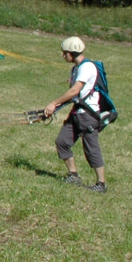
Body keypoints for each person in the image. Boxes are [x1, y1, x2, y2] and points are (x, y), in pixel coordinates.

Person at [43, 36, 107, 192]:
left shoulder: (87, 67)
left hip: (88, 115)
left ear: (73, 52)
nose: (63, 56)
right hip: (77, 112)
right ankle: (73, 175)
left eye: (65, 53)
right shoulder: (76, 68)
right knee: (62, 142)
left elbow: (74, 91)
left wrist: (53, 103)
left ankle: (101, 184)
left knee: (91, 149)